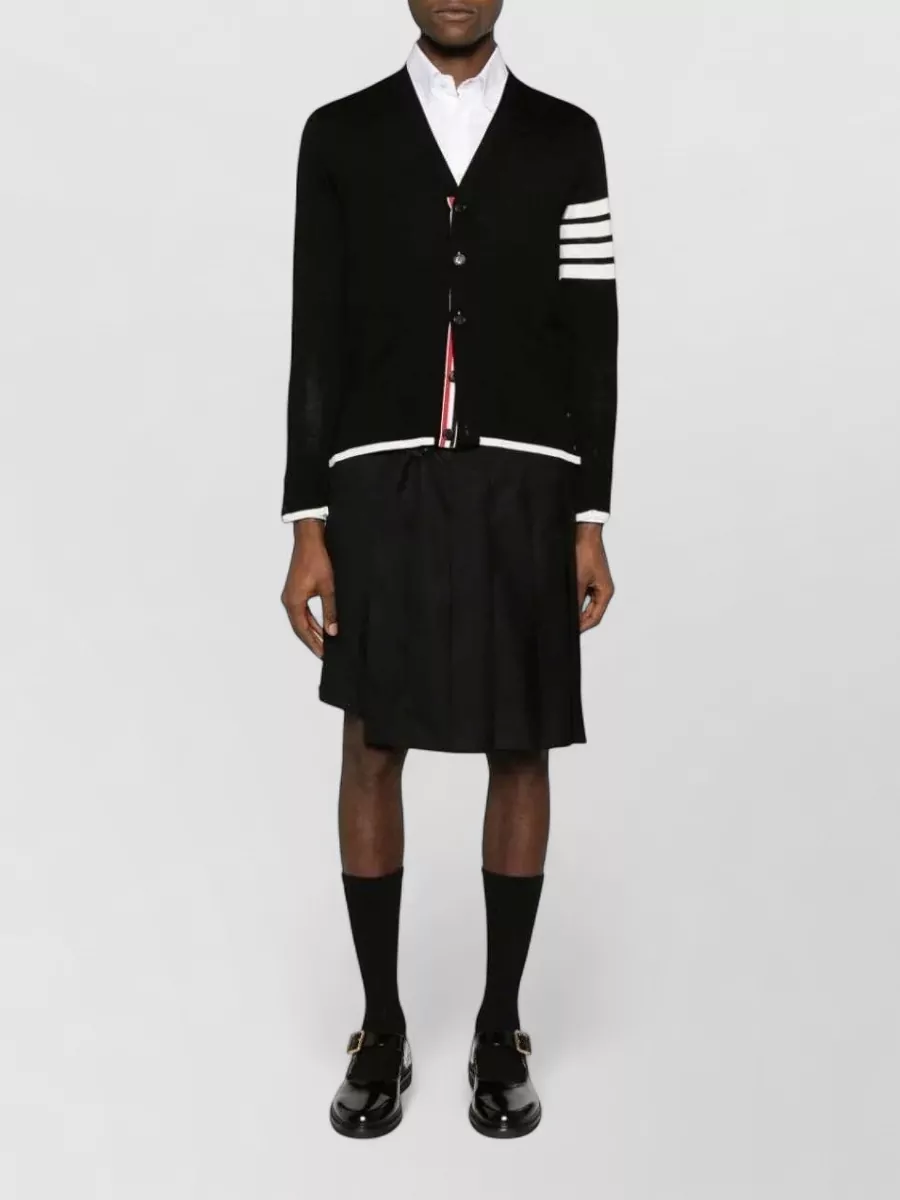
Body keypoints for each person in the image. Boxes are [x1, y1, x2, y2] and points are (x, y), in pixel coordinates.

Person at [280, 0, 618, 1139]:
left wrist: (590, 514)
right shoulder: (340, 134)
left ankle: (500, 1027)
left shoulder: (567, 137)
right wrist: (308, 519)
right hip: (378, 481)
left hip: (527, 481)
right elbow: (315, 329)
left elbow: (594, 328)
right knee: (372, 742)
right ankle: (379, 1025)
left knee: (521, 742)